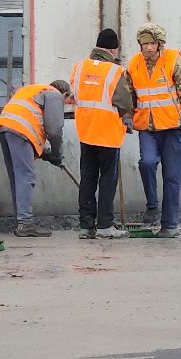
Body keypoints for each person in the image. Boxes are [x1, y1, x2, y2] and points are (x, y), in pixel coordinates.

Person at [113, 23, 181, 239]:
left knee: (172, 178)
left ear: (160, 44)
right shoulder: (134, 64)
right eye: (144, 44)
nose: (148, 48)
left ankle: (169, 225)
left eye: (151, 43)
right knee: (147, 163)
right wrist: (127, 115)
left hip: (174, 128)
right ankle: (152, 204)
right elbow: (128, 94)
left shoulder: (173, 61)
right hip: (148, 128)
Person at [0, 79, 72, 237]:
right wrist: (57, 154)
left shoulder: (33, 90)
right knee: (25, 177)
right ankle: (25, 223)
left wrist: (47, 154)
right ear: (65, 94)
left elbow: (31, 124)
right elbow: (55, 130)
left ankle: (21, 221)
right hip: (20, 130)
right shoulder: (54, 95)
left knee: (17, 177)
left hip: (4, 127)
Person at [72, 28, 128, 240]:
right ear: (114, 49)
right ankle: (105, 225)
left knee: (87, 178)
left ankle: (86, 227)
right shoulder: (115, 71)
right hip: (108, 133)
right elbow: (123, 101)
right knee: (107, 180)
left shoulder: (79, 67)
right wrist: (128, 118)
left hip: (85, 131)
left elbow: (76, 94)